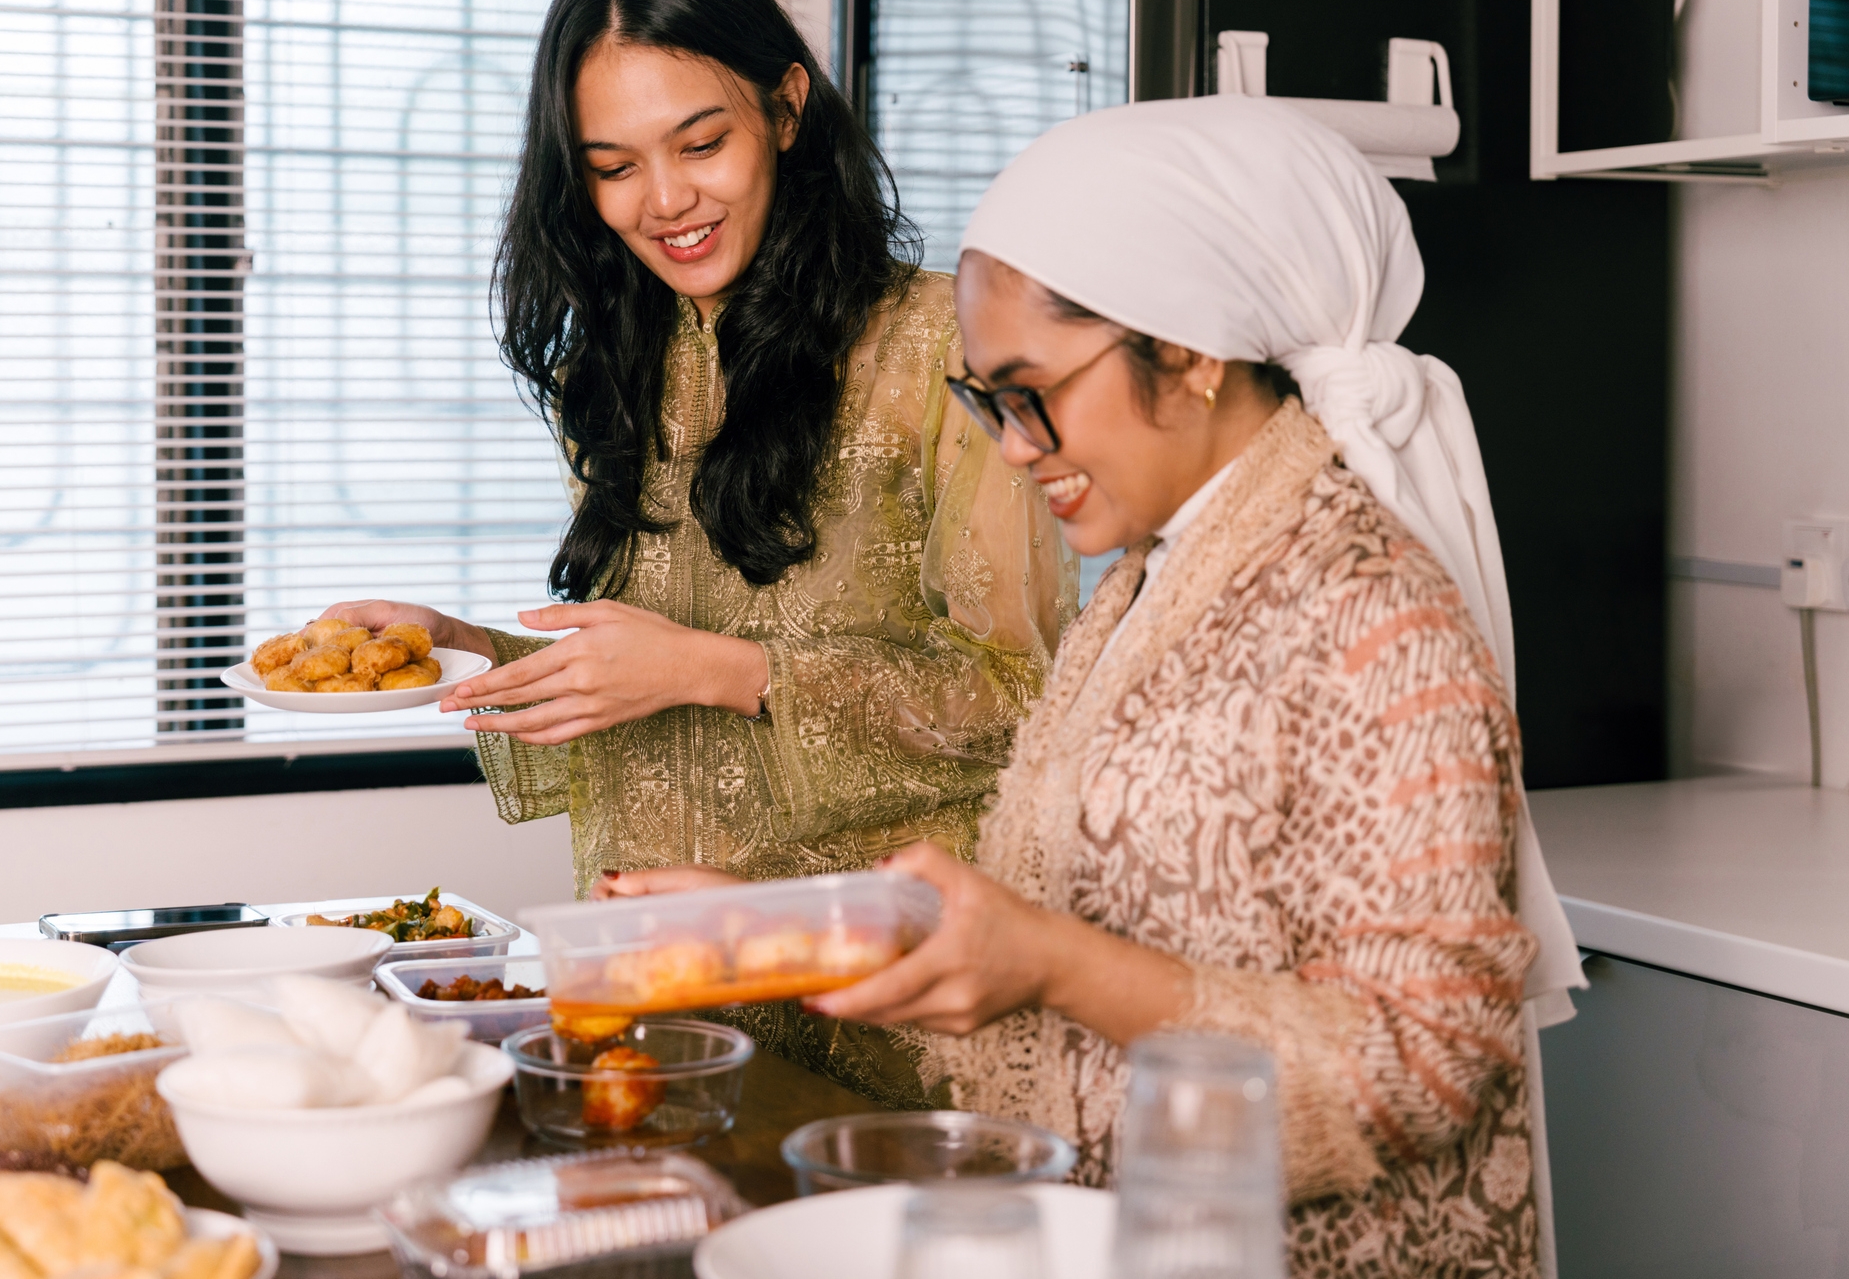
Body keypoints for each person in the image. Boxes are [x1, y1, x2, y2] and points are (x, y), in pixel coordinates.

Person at [601, 96, 1584, 1277]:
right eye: (987, 399)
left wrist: (1052, 964)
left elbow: (1423, 1060)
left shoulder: (1373, 615)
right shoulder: (1145, 584)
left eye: (1032, 391)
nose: (1014, 445)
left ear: (1190, 349)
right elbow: (1076, 909)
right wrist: (792, 932)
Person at [321, 0, 1072, 1102]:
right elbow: (650, 673)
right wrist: (465, 647)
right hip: (665, 995)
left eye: (702, 143)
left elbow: (1026, 701)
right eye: (614, 166)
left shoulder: (940, 349)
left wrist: (721, 670)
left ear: (785, 106)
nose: (663, 200)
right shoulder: (618, 366)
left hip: (887, 1014)